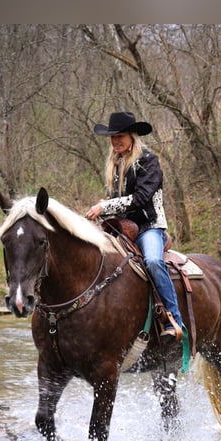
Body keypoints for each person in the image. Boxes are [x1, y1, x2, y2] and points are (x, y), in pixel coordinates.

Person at [85, 111, 183, 343]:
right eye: (113, 137)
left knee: (153, 261)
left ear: (133, 137)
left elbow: (140, 198)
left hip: (148, 227)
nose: (116, 141)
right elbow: (115, 200)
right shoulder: (115, 164)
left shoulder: (149, 161)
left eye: (121, 136)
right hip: (120, 228)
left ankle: (173, 320)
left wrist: (105, 206)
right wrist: (103, 205)